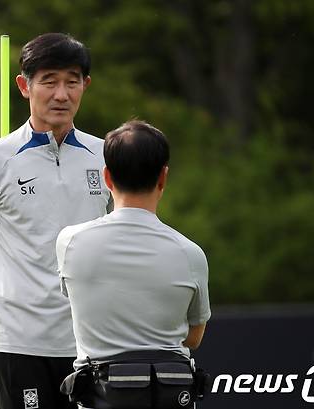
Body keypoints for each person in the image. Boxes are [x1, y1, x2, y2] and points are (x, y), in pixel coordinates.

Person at [0, 33, 112, 409]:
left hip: (92, 343)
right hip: (19, 344)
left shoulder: (106, 156)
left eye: (72, 81)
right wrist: (24, 289)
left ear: (85, 86)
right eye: (49, 81)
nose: (61, 94)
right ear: (24, 86)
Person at [56, 120, 211, 408]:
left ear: (107, 177)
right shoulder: (191, 254)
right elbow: (193, 337)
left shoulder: (70, 242)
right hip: (169, 395)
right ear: (163, 177)